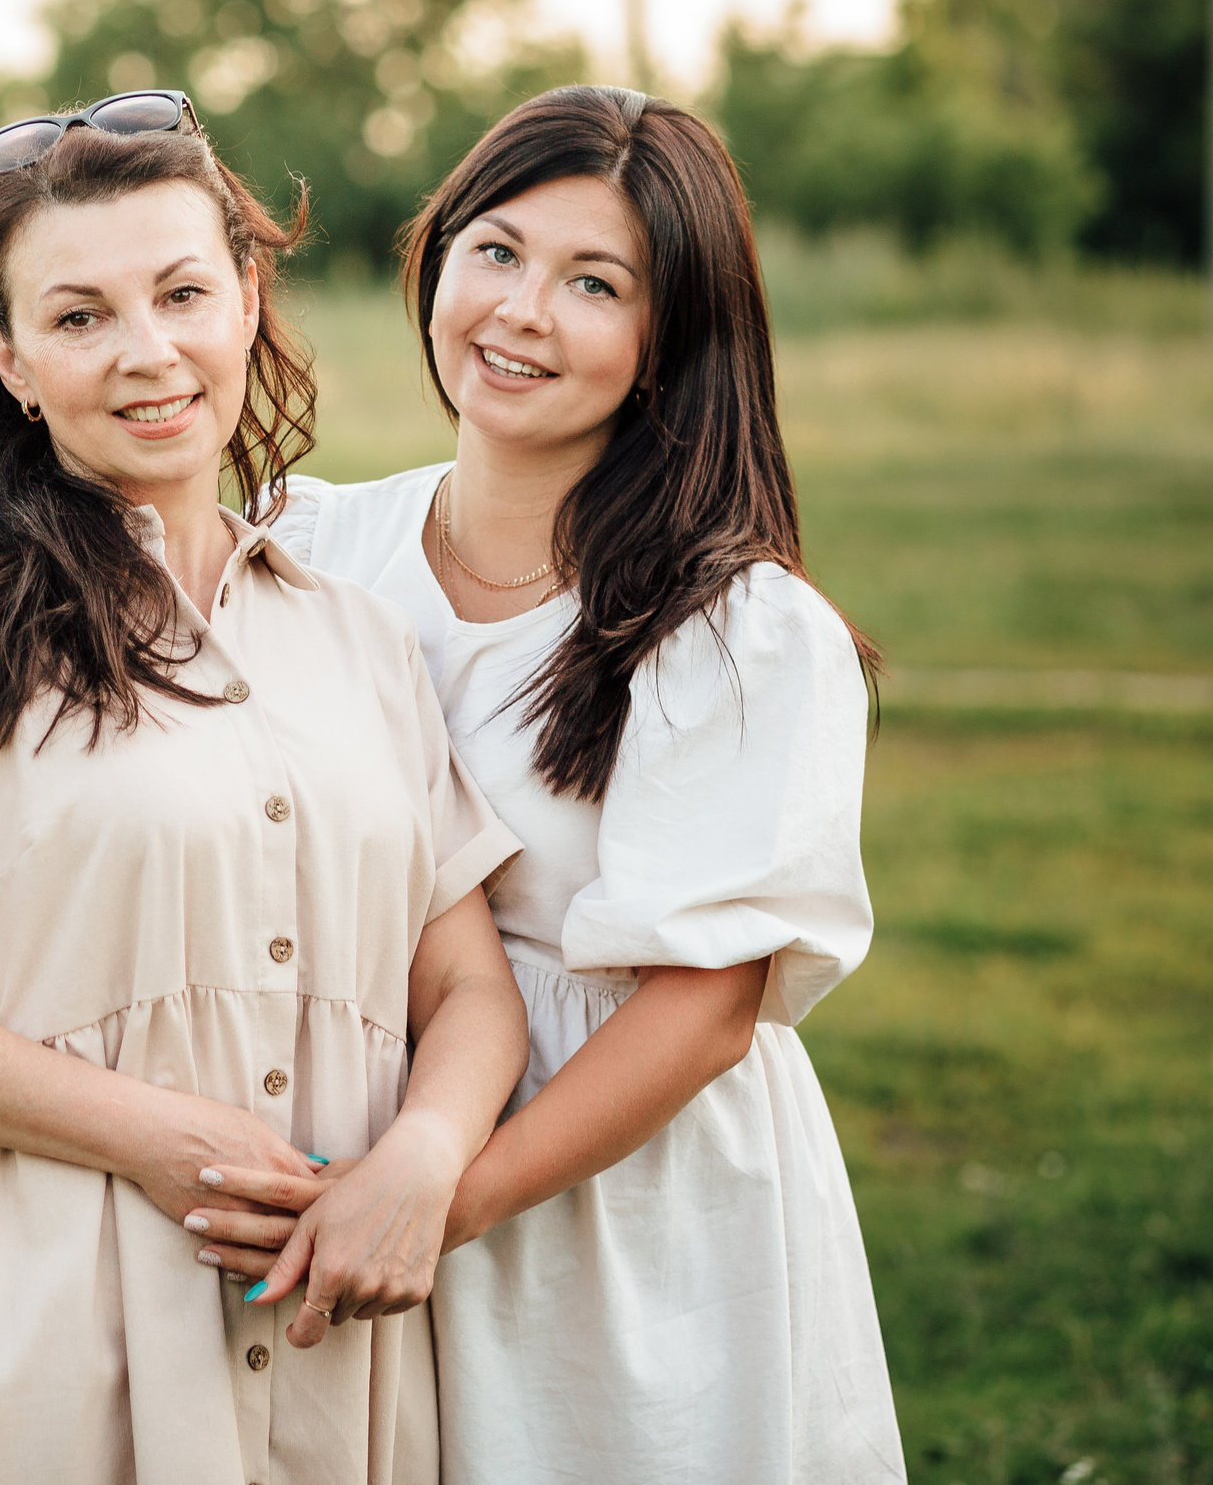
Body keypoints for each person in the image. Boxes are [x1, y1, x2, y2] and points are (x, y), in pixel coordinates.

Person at [0, 92, 530, 1485]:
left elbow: (464, 986)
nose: (147, 353)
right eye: (81, 316)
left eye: (181, 294)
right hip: (65, 1323)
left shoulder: (355, 634)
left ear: (247, 302)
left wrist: (425, 1157)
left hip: (343, 1337)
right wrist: (164, 1140)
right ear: (11, 361)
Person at [190, 85, 907, 1482]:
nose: (521, 312)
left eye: (595, 283)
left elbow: (703, 1011)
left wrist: (441, 1198)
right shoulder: (307, 542)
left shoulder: (736, 633)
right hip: (345, 1142)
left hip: (610, 1204)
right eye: (498, 252)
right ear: (438, 258)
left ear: (667, 340)